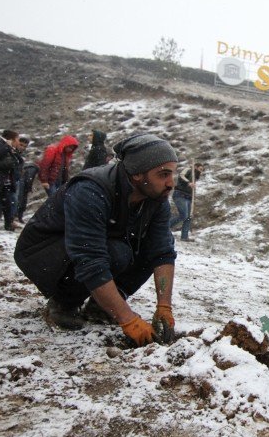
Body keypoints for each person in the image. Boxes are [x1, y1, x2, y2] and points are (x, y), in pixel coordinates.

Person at [14, 133, 179, 347]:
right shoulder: (90, 190)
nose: (170, 184)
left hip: (96, 248)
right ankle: (64, 303)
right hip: (44, 253)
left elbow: (162, 251)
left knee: (143, 251)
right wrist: (127, 319)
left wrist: (164, 306)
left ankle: (101, 307)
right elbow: (90, 258)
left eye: (172, 174)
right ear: (138, 174)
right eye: (163, 174)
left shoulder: (155, 199)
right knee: (116, 253)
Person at [170, 162, 204, 241]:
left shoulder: (195, 177)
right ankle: (164, 227)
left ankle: (184, 237)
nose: (201, 171)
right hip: (180, 195)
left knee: (188, 217)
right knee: (183, 215)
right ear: (195, 167)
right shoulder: (188, 170)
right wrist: (188, 183)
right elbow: (181, 176)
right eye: (200, 169)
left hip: (188, 197)